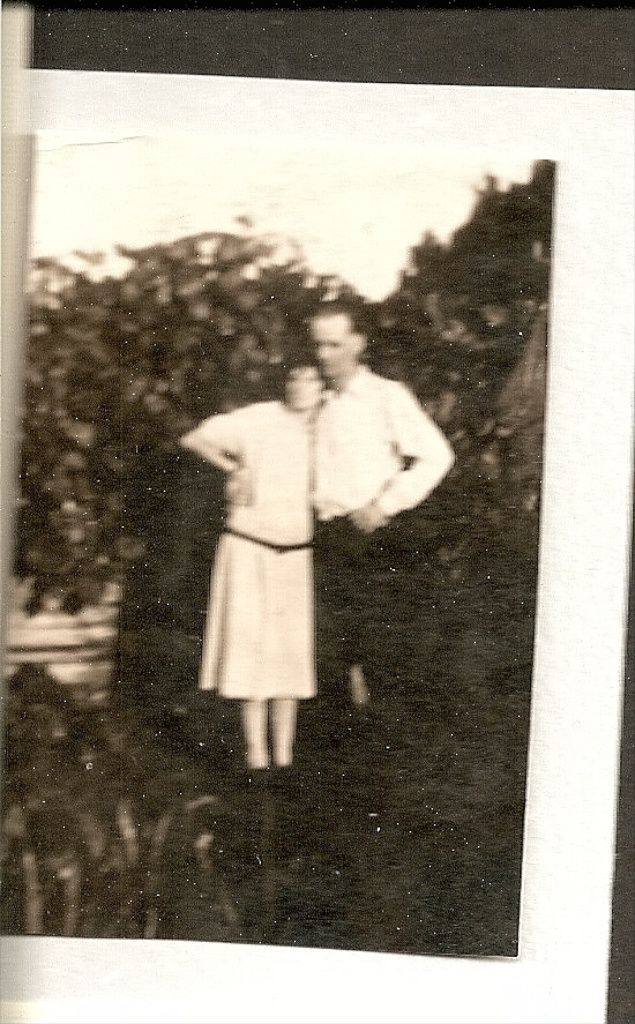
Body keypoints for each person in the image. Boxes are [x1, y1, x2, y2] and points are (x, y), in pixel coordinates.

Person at [310, 300, 456, 727]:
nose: (323, 355)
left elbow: (437, 456)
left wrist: (383, 506)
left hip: (373, 537)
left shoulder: (385, 396)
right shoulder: (314, 400)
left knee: (381, 649)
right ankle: (341, 742)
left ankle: (386, 741)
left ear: (358, 343)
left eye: (334, 345)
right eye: (318, 345)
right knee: (331, 651)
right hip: (323, 535)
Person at [180, 356, 322, 778]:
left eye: (310, 378)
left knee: (289, 660)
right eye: (294, 377)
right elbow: (195, 438)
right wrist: (234, 468)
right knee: (252, 657)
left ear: (323, 387)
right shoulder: (259, 419)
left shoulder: (329, 430)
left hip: (295, 553)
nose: (300, 386)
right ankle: (256, 758)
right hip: (248, 547)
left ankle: (286, 760)